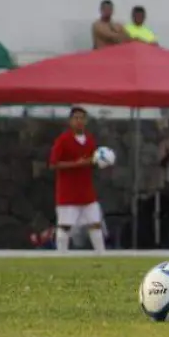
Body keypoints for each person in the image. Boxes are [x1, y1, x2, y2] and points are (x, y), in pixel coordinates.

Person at [48, 107, 105, 253]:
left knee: (95, 223)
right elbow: (53, 164)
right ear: (70, 121)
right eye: (76, 118)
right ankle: (61, 254)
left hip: (86, 190)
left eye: (82, 118)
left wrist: (98, 162)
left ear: (86, 121)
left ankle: (101, 253)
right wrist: (76, 164)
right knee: (65, 225)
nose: (79, 121)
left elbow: (92, 161)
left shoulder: (90, 140)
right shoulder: (63, 140)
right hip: (68, 191)